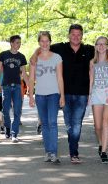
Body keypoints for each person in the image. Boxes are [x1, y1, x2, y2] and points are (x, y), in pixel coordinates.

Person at [30, 24, 108, 164]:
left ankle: (74, 153)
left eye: (78, 34)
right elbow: (44, 46)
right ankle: (71, 150)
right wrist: (34, 53)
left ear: (82, 36)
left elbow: (102, 49)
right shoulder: (60, 48)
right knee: (70, 125)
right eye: (73, 34)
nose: (76, 37)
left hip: (82, 94)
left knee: (76, 125)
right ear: (69, 35)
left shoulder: (88, 49)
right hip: (66, 94)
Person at [28, 31, 65, 164]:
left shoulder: (57, 57)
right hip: (40, 95)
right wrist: (31, 96)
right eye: (42, 41)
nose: (44, 43)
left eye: (47, 41)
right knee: (44, 124)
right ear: (39, 42)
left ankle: (54, 153)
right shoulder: (34, 59)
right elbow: (31, 79)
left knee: (52, 123)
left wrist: (62, 96)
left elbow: (60, 78)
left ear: (50, 41)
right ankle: (48, 152)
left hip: (54, 94)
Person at [0, 35, 29, 143]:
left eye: (20, 43)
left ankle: (14, 134)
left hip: (17, 86)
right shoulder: (3, 55)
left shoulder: (22, 57)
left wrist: (29, 87)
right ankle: (7, 128)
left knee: (17, 110)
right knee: (5, 110)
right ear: (11, 43)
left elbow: (24, 73)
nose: (18, 45)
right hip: (6, 86)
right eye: (16, 42)